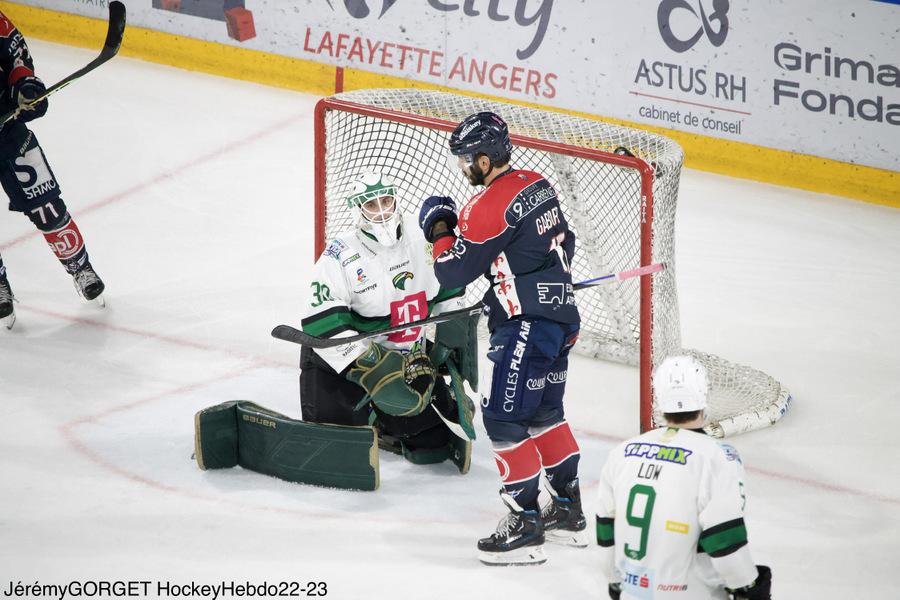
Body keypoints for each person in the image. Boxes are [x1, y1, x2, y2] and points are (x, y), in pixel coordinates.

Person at [418, 112, 584, 566]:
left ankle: (525, 524)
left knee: (504, 421)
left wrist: (439, 229)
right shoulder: (538, 184)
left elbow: (453, 269)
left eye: (467, 160)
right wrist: (518, 279)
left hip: (525, 327)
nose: (464, 168)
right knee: (546, 414)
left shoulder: (488, 205)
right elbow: (563, 247)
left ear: (487, 159)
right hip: (561, 319)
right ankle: (568, 510)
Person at [299, 171, 474, 473]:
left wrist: (446, 344)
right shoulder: (340, 255)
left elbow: (452, 292)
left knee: (432, 447)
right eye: (371, 205)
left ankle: (385, 422)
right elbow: (321, 324)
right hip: (351, 365)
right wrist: (369, 366)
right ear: (357, 210)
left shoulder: (422, 241)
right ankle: (354, 412)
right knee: (341, 448)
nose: (381, 210)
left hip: (407, 360)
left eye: (386, 200)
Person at [596, 355, 773, 600]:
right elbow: (724, 539)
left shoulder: (622, 452)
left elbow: (606, 532)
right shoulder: (718, 456)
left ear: (659, 399)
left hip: (632, 592)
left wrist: (615, 582)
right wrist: (747, 585)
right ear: (703, 396)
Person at [0, 10, 105, 329]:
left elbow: (16, 58)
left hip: (9, 133)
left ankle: (80, 267)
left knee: (47, 205)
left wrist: (25, 90)